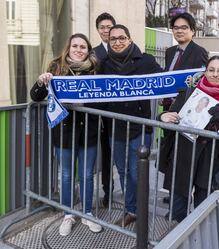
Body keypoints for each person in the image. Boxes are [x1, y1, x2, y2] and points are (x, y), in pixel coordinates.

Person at [30, 33, 102, 236]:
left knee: (87, 175)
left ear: (88, 50)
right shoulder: (55, 68)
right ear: (68, 48)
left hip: (88, 131)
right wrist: (41, 82)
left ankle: (87, 213)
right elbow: (35, 96)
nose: (79, 50)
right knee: (67, 175)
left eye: (83, 47)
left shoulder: (96, 70)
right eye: (75, 46)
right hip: (64, 132)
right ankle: (68, 215)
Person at [99, 24, 162, 227]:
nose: (117, 42)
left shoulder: (146, 61)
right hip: (114, 128)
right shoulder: (102, 64)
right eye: (113, 39)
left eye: (121, 38)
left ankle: (139, 210)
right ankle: (131, 209)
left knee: (137, 173)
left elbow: (165, 82)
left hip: (139, 128)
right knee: (123, 172)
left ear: (129, 39)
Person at [158, 56, 219, 222]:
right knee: (177, 210)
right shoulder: (189, 93)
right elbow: (171, 115)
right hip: (184, 156)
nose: (215, 74)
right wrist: (162, 116)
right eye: (211, 70)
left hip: (211, 161)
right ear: (205, 72)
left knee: (203, 211)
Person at [161, 12, 208, 111]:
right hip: (167, 105)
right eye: (176, 28)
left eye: (184, 28)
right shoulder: (169, 52)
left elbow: (201, 79)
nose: (179, 31)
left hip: (186, 106)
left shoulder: (199, 52)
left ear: (192, 31)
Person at [93, 12, 116, 208]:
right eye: (102, 27)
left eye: (109, 27)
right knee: (107, 154)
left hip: (124, 112)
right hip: (103, 114)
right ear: (98, 30)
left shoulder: (124, 48)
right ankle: (107, 191)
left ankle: (132, 196)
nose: (106, 30)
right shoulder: (93, 54)